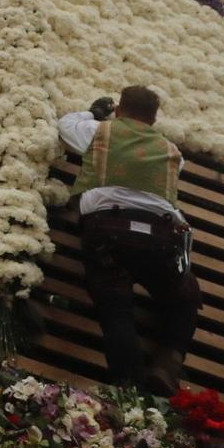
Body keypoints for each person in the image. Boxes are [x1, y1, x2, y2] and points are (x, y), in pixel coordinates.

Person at [58, 86, 199, 395]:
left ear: (119, 111)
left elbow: (66, 126)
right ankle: (167, 364)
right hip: (160, 239)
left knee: (116, 309)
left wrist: (93, 114)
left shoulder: (101, 132)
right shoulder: (172, 152)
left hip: (107, 231)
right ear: (154, 118)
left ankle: (129, 387)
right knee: (185, 299)